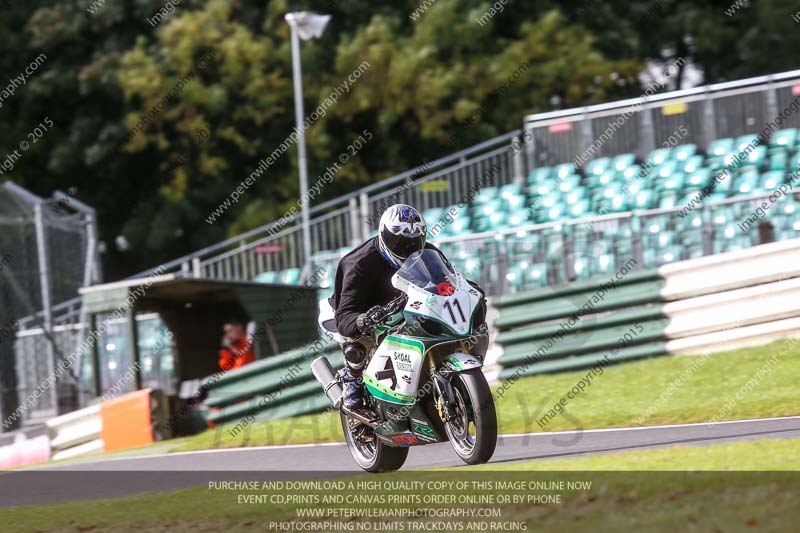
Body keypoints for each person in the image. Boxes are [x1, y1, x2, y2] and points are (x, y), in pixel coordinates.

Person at [318, 204, 486, 411]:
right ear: (384, 236)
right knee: (359, 342)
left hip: (406, 305)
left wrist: (469, 290)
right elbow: (344, 318)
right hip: (363, 311)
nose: (408, 250)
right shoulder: (358, 263)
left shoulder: (429, 253)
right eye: (399, 243)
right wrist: (363, 319)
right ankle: (353, 381)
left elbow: (449, 283)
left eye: (414, 243)